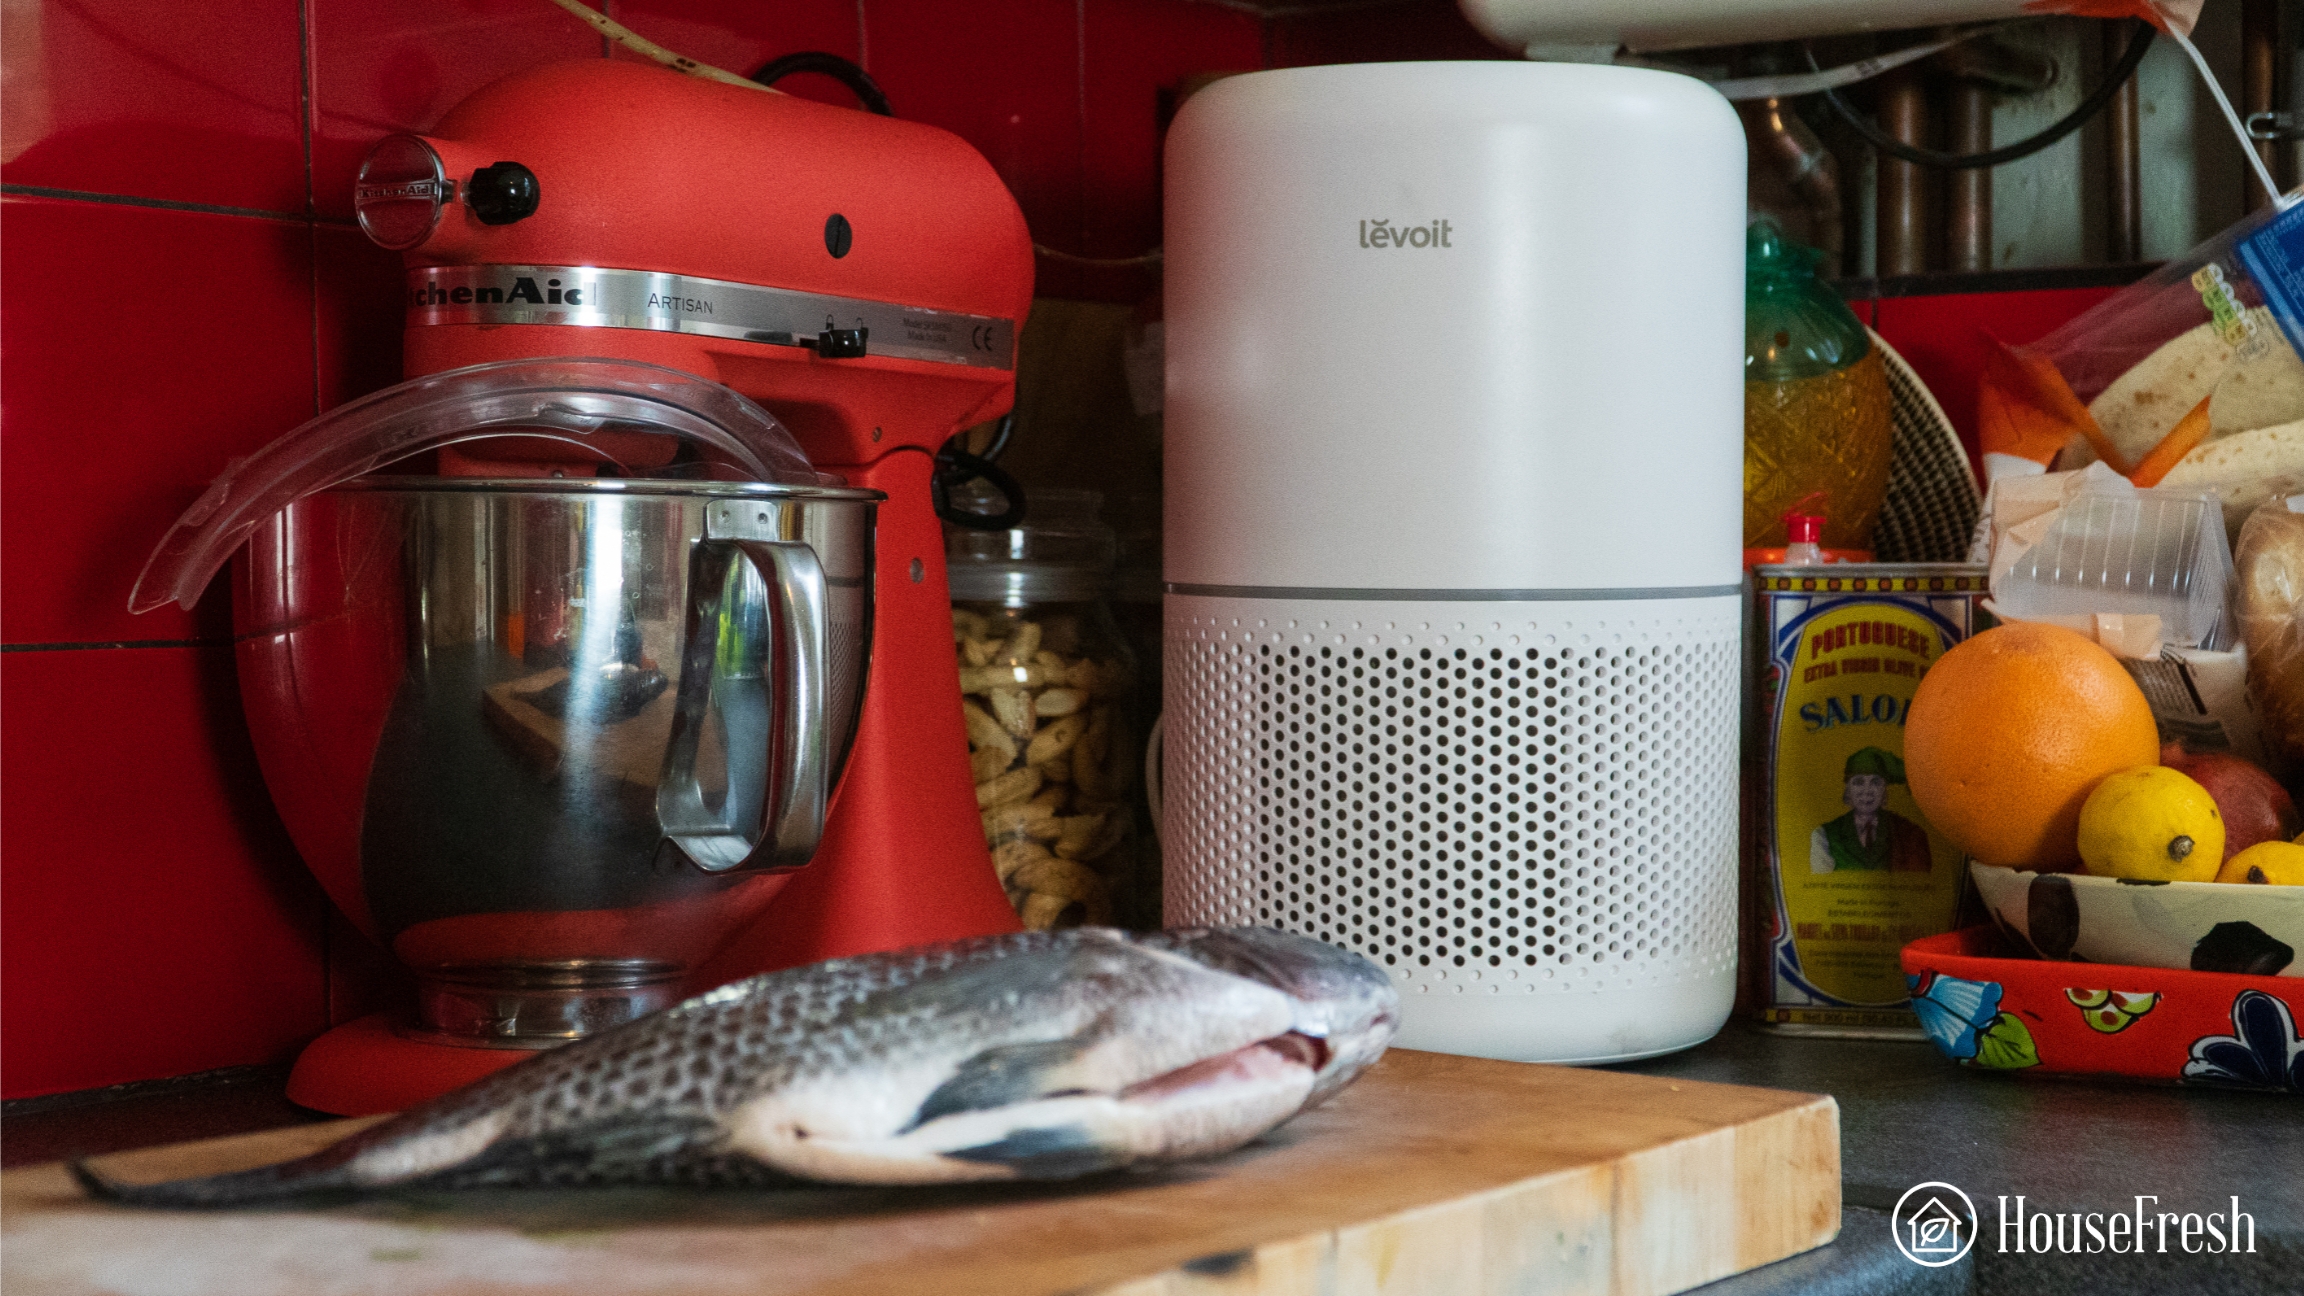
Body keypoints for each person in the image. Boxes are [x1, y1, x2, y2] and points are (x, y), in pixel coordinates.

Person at [1810, 747, 1933, 873]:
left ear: (1884, 790)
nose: (1867, 790)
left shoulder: (1912, 835)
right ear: (1847, 790)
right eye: (1858, 782)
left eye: (1875, 782)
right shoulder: (1824, 835)